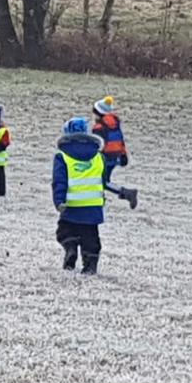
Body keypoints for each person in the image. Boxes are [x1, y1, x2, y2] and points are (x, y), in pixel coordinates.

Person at [54, 117, 109, 275]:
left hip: (71, 204)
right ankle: (90, 265)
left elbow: (59, 181)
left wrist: (59, 201)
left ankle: (71, 248)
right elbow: (103, 179)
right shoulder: (99, 156)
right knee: (91, 237)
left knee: (65, 232)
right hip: (93, 204)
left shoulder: (62, 156)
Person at [92, 96, 139, 209]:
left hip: (104, 158)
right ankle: (101, 199)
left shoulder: (98, 128)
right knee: (102, 181)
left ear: (97, 113)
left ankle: (127, 193)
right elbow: (120, 139)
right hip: (115, 157)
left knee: (103, 182)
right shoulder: (114, 123)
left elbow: (97, 145)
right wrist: (123, 154)